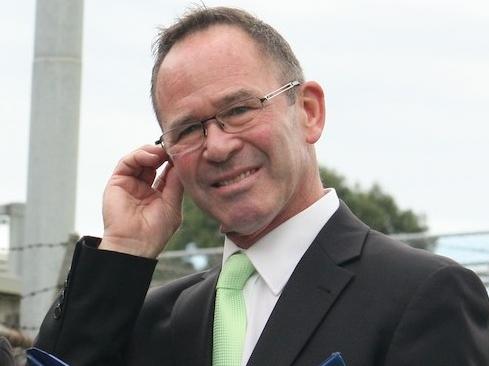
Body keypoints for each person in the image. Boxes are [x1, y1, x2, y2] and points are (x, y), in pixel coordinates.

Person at [34, 6, 489, 366]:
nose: (217, 146)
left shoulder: (424, 294)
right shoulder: (152, 320)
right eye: (189, 129)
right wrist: (123, 250)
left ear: (308, 111)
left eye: (238, 110)